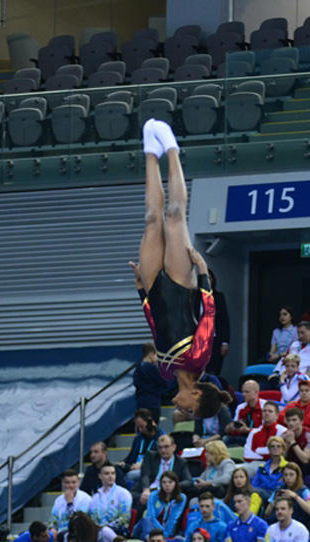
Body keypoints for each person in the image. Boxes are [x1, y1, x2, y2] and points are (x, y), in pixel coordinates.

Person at [132, 120, 225, 417]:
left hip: (154, 287)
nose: (182, 411)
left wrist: (141, 293)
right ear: (196, 395)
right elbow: (209, 314)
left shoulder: (165, 373)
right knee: (174, 216)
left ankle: (150, 152)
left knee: (151, 219)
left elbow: (156, 326)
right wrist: (201, 272)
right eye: (190, 411)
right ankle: (171, 150)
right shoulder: (198, 359)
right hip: (180, 283)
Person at [137, 434, 194, 503]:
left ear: (174, 447)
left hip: (169, 492)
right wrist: (146, 489)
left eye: (166, 447)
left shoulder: (180, 462)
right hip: (151, 490)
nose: (163, 450)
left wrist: (172, 485)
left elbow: (189, 481)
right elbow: (145, 474)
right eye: (160, 447)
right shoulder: (150, 456)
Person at [135, 470, 187, 540]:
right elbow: (151, 517)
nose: (167, 485)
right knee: (147, 520)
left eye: (170, 482)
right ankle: (151, 540)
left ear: (175, 483)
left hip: (168, 531)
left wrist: (166, 534)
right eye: (164, 482)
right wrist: (162, 533)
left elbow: (174, 518)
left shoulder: (181, 498)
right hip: (150, 527)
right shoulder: (153, 495)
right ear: (160, 484)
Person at [88, 464, 132, 540]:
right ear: (100, 476)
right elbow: (92, 518)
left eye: (113, 473)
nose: (110, 476)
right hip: (97, 532)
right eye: (106, 474)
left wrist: (106, 528)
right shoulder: (95, 497)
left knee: (104, 531)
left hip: (118, 533)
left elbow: (125, 518)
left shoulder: (123, 493)